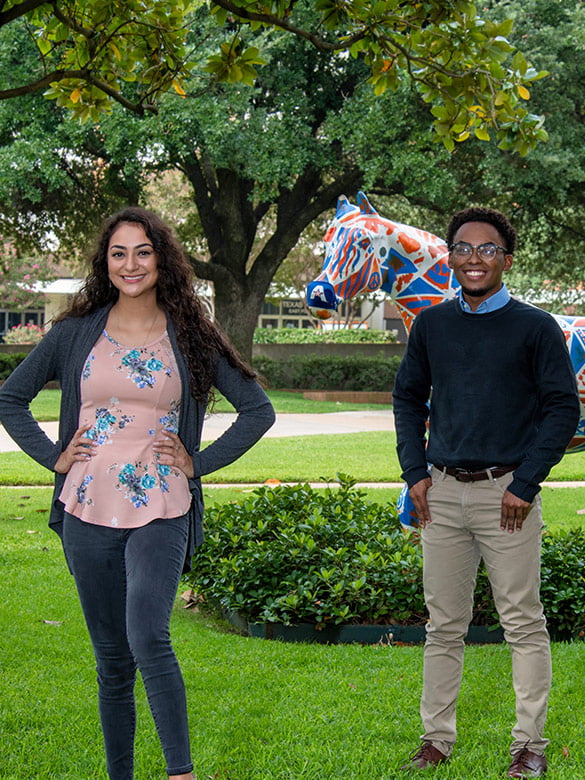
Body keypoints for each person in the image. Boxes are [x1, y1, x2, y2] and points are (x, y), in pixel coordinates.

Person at [0, 207, 275, 780]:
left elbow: (258, 410)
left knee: (148, 634)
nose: (131, 264)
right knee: (111, 661)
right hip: (86, 506)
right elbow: (10, 398)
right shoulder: (76, 332)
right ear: (106, 262)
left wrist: (198, 464)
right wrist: (52, 455)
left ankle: (181, 773)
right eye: (119, 253)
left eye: (143, 252)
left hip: (163, 503)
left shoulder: (192, 332)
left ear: (162, 260)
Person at [392, 207, 580, 778]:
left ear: (507, 259)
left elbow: (562, 409)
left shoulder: (536, 328)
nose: (475, 258)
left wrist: (527, 482)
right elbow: (407, 399)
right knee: (443, 624)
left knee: (523, 621)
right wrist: (414, 473)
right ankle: (436, 740)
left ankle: (529, 746)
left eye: (487, 249)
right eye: (464, 248)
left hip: (509, 498)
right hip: (443, 492)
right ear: (451, 256)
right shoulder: (431, 326)